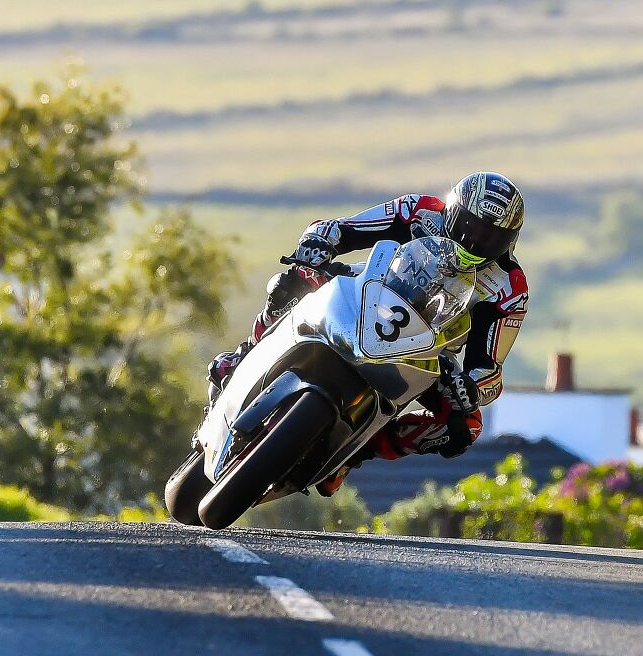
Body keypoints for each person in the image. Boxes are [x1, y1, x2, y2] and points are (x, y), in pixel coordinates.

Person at [208, 172, 528, 495]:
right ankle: (247, 353)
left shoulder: (509, 289)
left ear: (510, 240)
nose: (474, 243)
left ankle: (359, 450)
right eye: (470, 228)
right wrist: (319, 244)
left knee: (466, 426)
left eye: (491, 238)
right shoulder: (419, 211)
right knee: (293, 280)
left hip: (426, 353)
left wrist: (471, 387)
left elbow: (489, 368)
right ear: (453, 210)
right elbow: (341, 228)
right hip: (363, 294)